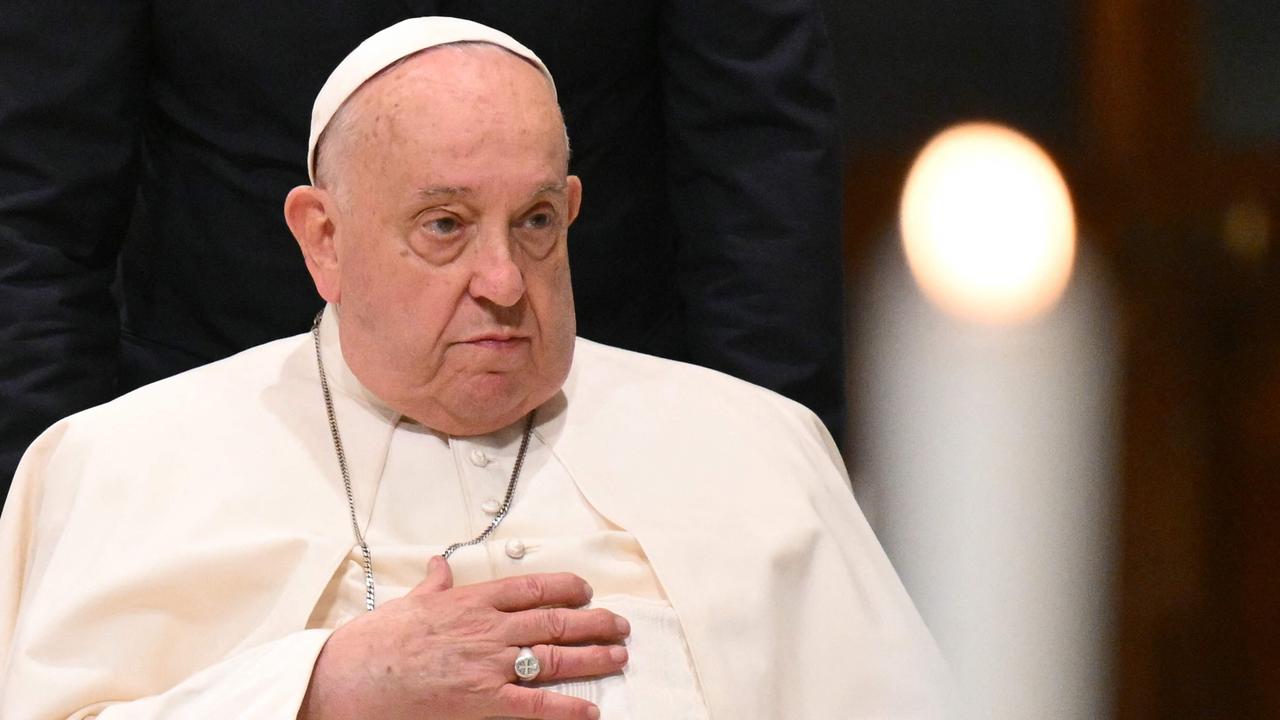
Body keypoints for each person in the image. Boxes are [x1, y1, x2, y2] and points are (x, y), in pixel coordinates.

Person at [0, 19, 942, 719]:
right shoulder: (122, 467)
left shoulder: (752, 450)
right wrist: (313, 690)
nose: (502, 283)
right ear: (321, 241)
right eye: (444, 226)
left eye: (534, 222)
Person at [0, 1, 846, 499]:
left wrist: (768, 474)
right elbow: (33, 205)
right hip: (228, 440)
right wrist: (53, 508)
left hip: (591, 433)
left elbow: (757, 157)